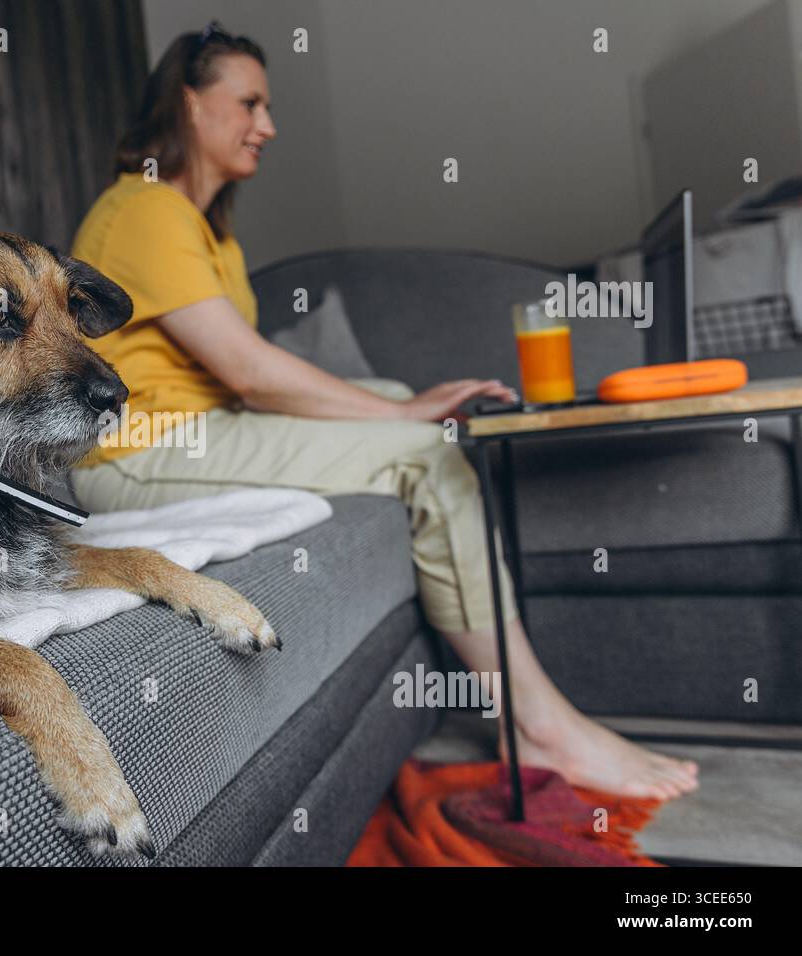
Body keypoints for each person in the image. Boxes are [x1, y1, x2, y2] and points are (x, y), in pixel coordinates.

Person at [68, 22, 698, 801]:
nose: (268, 125)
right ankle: (538, 723)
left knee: (402, 406)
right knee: (420, 449)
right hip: (138, 453)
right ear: (191, 105)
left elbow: (240, 382)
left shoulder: (207, 233)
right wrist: (399, 422)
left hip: (196, 433)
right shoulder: (146, 209)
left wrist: (393, 406)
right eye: (250, 103)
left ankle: (500, 665)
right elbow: (251, 374)